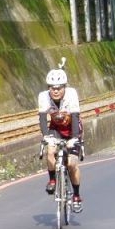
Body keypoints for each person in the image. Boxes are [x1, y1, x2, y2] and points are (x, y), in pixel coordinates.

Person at [38, 67, 83, 212]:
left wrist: (74, 138)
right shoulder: (43, 96)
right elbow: (42, 119)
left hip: (72, 129)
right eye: (52, 88)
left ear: (64, 87)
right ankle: (52, 179)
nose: (55, 91)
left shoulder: (72, 94)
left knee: (72, 164)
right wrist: (46, 136)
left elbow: (75, 117)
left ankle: (76, 195)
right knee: (50, 151)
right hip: (56, 128)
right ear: (48, 88)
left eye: (59, 88)